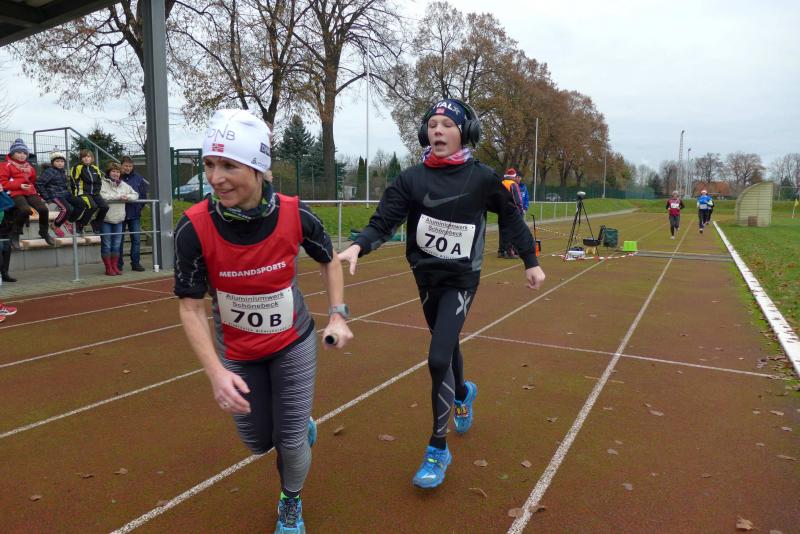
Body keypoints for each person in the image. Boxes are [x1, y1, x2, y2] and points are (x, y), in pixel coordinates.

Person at [338, 98, 545, 490]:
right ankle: (463, 392)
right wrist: (358, 246)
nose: (438, 130)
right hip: (425, 277)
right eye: (432, 124)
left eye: (447, 125)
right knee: (446, 347)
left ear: (464, 133)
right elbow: (384, 220)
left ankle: (437, 448)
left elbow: (512, 218)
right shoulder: (411, 179)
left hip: (461, 279)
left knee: (437, 358)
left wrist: (530, 261)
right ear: (424, 133)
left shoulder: (482, 179)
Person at [174, 109, 353, 534]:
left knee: (289, 443)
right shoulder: (193, 227)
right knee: (257, 443)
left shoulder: (295, 213)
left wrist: (337, 315)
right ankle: (297, 428)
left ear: (258, 168)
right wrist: (216, 373)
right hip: (237, 351)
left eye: (229, 165)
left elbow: (329, 260)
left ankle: (291, 500)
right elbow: (190, 307)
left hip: (293, 342)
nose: (215, 178)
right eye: (209, 164)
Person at [0, 138, 55, 249]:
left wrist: (33, 190)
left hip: (29, 191)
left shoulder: (30, 167)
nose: (22, 155)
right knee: (25, 210)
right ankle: (15, 234)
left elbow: (32, 181)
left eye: (24, 153)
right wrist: (19, 185)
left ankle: (43, 232)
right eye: (19, 152)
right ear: (12, 153)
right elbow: (3, 183)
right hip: (15, 192)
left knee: (43, 209)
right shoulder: (5, 165)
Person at [100, 163, 138, 276]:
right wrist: (118, 197)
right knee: (106, 245)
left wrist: (127, 197)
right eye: (113, 171)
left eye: (117, 172)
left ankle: (115, 267)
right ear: (108, 172)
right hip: (106, 219)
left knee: (116, 245)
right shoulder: (102, 183)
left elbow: (135, 194)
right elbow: (102, 196)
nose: (116, 174)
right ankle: (108, 268)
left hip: (119, 219)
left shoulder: (123, 184)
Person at [38, 151, 79, 238]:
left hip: (64, 193)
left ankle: (68, 222)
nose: (60, 163)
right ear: (52, 162)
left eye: (62, 161)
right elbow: (39, 184)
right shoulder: (49, 171)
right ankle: (55, 225)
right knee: (66, 209)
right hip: (54, 194)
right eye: (57, 161)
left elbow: (64, 185)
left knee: (81, 204)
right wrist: (47, 198)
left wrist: (69, 194)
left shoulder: (62, 171)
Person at [118, 156, 149, 272]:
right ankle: (118, 264)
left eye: (130, 166)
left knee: (136, 239)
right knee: (119, 239)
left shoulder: (138, 178)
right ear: (121, 165)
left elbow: (143, 195)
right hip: (119, 213)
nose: (128, 168)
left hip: (134, 213)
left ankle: (135, 263)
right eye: (126, 166)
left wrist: (139, 207)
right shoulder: (116, 176)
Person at [70, 149, 108, 234]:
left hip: (95, 193)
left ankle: (95, 223)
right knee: (92, 206)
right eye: (84, 157)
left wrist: (97, 191)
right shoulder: (77, 167)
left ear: (92, 158)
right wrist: (76, 193)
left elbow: (99, 181)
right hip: (83, 192)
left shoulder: (95, 168)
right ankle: (80, 224)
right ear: (81, 158)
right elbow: (74, 181)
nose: (86, 158)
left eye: (88, 156)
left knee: (105, 207)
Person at [498, 168, 525, 258]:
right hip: (511, 212)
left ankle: (501, 251)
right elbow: (517, 200)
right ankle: (510, 252)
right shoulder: (513, 184)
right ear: (513, 176)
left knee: (503, 232)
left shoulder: (501, 183)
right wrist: (520, 211)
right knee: (512, 231)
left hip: (501, 211)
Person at [0, 183, 15, 282]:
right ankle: (2, 272)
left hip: (4, 225)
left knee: (6, 247)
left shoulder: (3, 195)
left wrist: (2, 192)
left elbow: (10, 204)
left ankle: (5, 273)